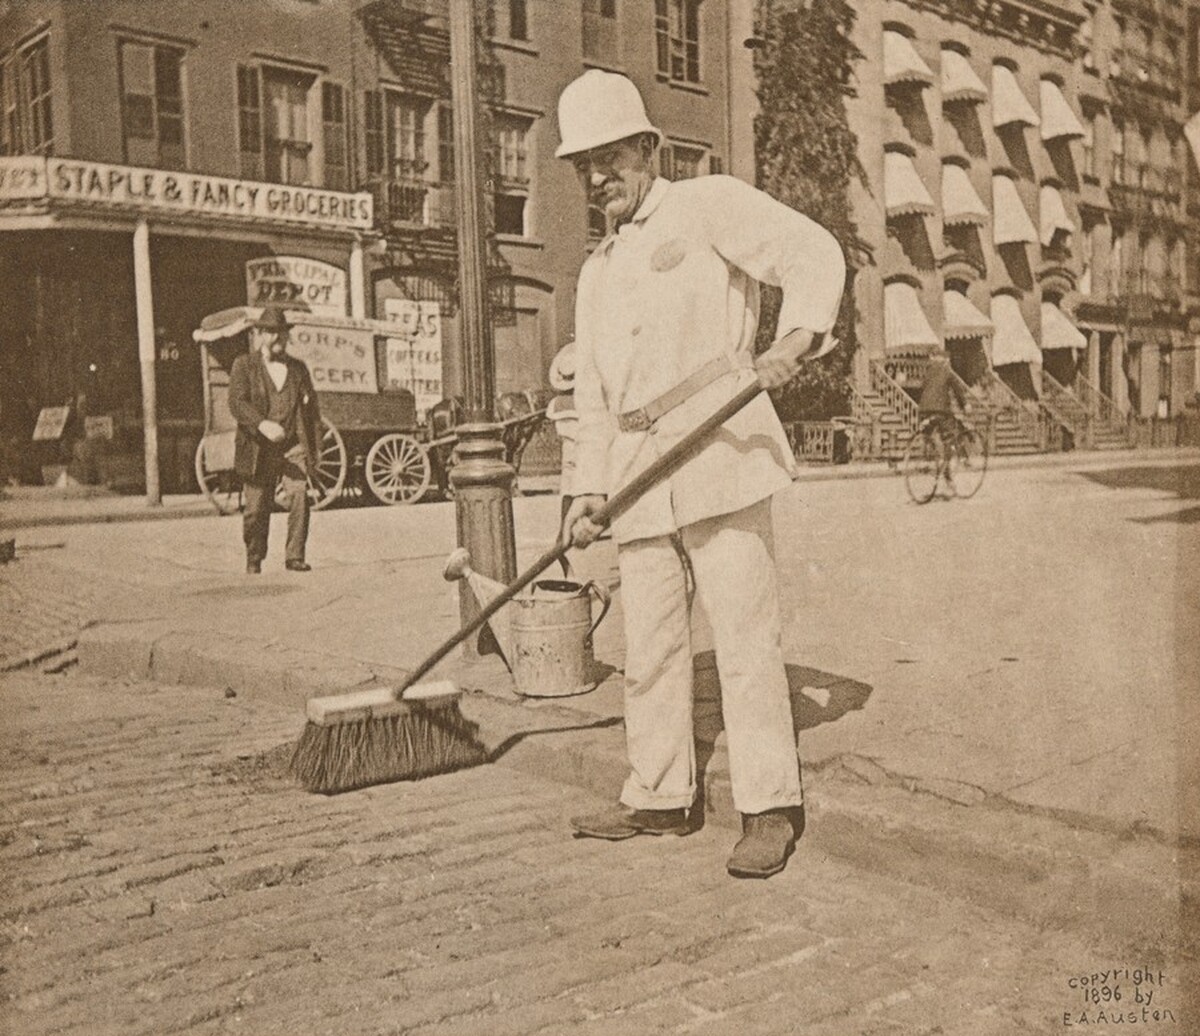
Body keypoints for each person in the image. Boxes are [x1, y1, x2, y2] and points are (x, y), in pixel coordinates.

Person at [555, 69, 846, 879]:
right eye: (584, 166)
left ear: (648, 148)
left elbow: (812, 252)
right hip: (640, 470)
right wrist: (586, 491)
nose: (598, 178)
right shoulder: (597, 270)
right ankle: (657, 793)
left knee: (746, 639)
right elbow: (594, 399)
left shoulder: (709, 204)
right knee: (649, 643)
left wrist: (797, 336)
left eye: (610, 158)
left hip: (722, 451)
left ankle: (767, 807)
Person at [228, 306, 321, 574]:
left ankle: (294, 556)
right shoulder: (244, 365)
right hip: (259, 447)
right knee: (256, 510)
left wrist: (314, 449)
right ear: (259, 335)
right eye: (270, 332)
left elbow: (312, 410)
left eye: (281, 332)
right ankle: (254, 557)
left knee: (300, 495)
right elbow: (237, 402)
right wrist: (261, 424)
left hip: (292, 446)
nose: (277, 338)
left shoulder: (298, 369)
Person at [917, 348, 970, 465]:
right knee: (953, 430)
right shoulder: (947, 371)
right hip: (941, 409)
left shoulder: (928, 371)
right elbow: (958, 390)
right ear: (944, 360)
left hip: (924, 409)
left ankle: (926, 461)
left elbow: (922, 388)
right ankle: (962, 458)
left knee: (927, 434)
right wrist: (965, 404)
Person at [545, 340, 579, 524]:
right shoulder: (582, 401)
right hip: (583, 444)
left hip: (568, 447)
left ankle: (565, 524)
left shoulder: (557, 404)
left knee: (568, 485)